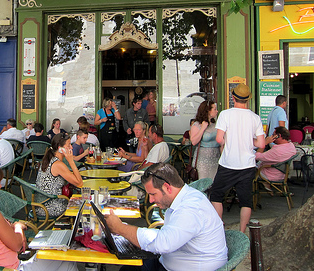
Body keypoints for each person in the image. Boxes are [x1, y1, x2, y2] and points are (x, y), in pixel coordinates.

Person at [105, 163, 227, 271]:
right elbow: (168, 236)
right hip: (169, 260)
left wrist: (120, 228)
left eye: (153, 194)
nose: (151, 200)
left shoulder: (191, 208)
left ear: (167, 187)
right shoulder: (184, 199)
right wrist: (126, 230)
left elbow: (163, 243)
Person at [0, 163, 78, 271]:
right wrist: (18, 227)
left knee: (68, 265)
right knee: (67, 254)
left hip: (10, 265)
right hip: (15, 268)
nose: (1, 186)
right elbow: (17, 245)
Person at [210, 83, 265, 233]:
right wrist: (249, 140)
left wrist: (231, 138)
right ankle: (242, 232)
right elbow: (261, 143)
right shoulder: (255, 118)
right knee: (245, 200)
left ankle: (219, 228)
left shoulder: (225, 114)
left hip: (228, 163)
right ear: (248, 99)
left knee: (216, 195)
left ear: (233, 97)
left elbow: (219, 139)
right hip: (247, 165)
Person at [36, 133, 83, 217]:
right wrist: (71, 161)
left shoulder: (49, 159)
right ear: (60, 149)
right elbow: (79, 183)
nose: (71, 147)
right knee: (82, 204)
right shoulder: (58, 164)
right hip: (51, 206)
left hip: (42, 203)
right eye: (69, 145)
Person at [189, 101, 220, 181]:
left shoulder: (215, 124)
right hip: (203, 160)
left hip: (216, 158)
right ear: (208, 111)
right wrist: (202, 128)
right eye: (214, 109)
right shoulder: (197, 125)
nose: (216, 111)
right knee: (203, 182)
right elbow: (194, 141)